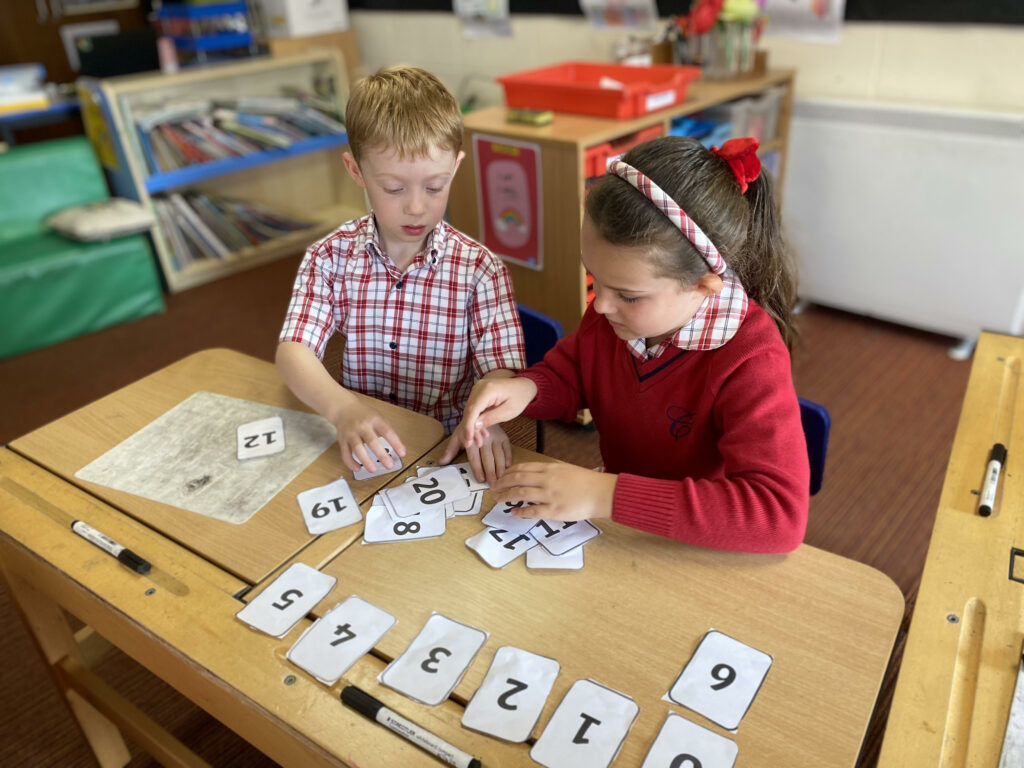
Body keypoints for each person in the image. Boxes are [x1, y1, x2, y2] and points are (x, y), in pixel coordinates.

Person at [455, 136, 809, 554]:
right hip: (622, 528)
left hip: (701, 544)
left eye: (627, 295)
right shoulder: (616, 316)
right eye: (594, 278)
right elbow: (573, 373)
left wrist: (605, 494)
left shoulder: (751, 358)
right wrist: (525, 389)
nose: (599, 305)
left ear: (704, 287)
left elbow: (777, 517)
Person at [277, 65, 525, 483]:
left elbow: (500, 369)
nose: (416, 207)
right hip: (366, 441)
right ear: (355, 170)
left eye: (434, 187)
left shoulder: (481, 270)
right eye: (394, 188)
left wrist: (488, 417)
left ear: (456, 167)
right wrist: (342, 409)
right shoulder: (330, 257)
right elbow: (294, 350)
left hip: (447, 447)